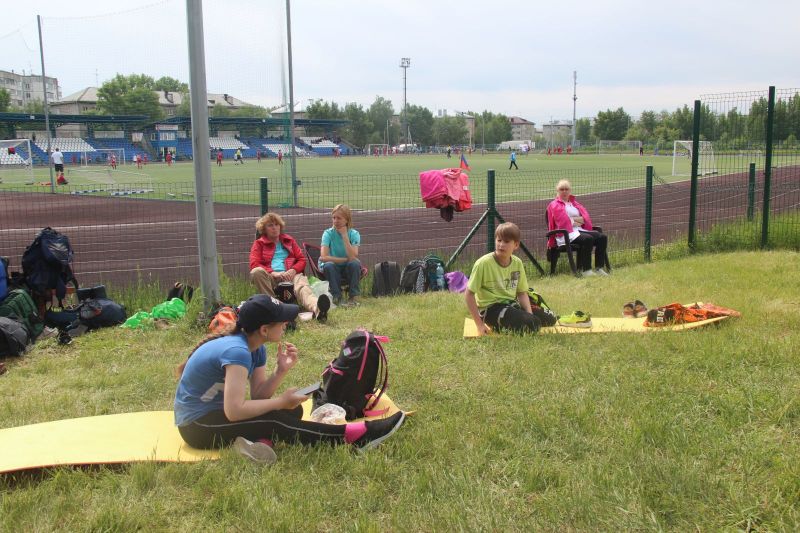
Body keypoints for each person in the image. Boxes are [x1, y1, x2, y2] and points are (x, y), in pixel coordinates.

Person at [174, 294, 406, 463]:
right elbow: (234, 411)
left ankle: (259, 445)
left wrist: (280, 371)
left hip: (216, 415)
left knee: (291, 411)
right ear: (264, 329)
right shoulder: (237, 351)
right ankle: (353, 438)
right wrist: (279, 402)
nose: (287, 324)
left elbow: (258, 395)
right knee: (276, 419)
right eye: (282, 321)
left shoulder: (256, 346)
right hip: (196, 427)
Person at [250, 212, 330, 322]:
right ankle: (274, 307)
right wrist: (272, 273)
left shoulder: (289, 240)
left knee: (302, 287)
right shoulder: (259, 244)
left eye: (276, 224)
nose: (274, 228)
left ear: (280, 226)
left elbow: (301, 259)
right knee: (256, 271)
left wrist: (293, 270)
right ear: (264, 229)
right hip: (271, 277)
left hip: (291, 275)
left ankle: (318, 309)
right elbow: (254, 263)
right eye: (270, 225)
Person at [465, 222, 540, 336]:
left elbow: (522, 293)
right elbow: (469, 294)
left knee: (548, 319)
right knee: (532, 324)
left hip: (510, 304)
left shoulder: (517, 263)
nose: (501, 245)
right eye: (499, 240)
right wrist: (479, 325)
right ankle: (502, 323)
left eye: (506, 241)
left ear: (516, 245)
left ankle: (522, 320)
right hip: (490, 309)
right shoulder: (483, 263)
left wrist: (529, 315)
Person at [546, 179, 609, 276]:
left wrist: (574, 221)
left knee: (602, 237)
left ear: (570, 190)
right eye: (561, 189)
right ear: (557, 191)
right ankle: (586, 270)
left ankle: (599, 268)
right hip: (565, 234)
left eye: (566, 189)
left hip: (579, 230)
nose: (564, 191)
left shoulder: (575, 204)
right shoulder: (554, 205)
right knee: (587, 239)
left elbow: (585, 219)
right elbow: (562, 221)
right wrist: (577, 221)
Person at [319, 204, 362, 306]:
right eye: (333, 218)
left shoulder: (354, 234)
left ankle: (353, 297)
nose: (335, 221)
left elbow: (353, 257)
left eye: (339, 218)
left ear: (347, 220)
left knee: (355, 264)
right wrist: (345, 259)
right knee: (329, 265)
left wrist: (344, 236)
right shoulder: (328, 233)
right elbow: (323, 257)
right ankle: (337, 297)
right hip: (332, 268)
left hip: (347, 269)